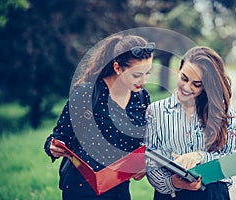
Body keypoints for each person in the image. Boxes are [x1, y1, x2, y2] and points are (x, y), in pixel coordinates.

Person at [44, 34, 156, 200]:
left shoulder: (141, 97)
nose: (143, 81)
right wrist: (54, 147)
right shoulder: (86, 94)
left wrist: (142, 165)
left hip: (119, 188)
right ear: (117, 67)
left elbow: (143, 143)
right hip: (82, 188)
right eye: (136, 75)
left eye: (147, 73)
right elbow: (60, 136)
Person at [145, 46, 236, 200]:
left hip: (213, 194)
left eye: (196, 84)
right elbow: (149, 161)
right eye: (184, 78)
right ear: (179, 70)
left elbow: (233, 160)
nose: (186, 87)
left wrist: (200, 157)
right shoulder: (155, 111)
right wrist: (173, 182)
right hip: (172, 195)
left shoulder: (224, 113)